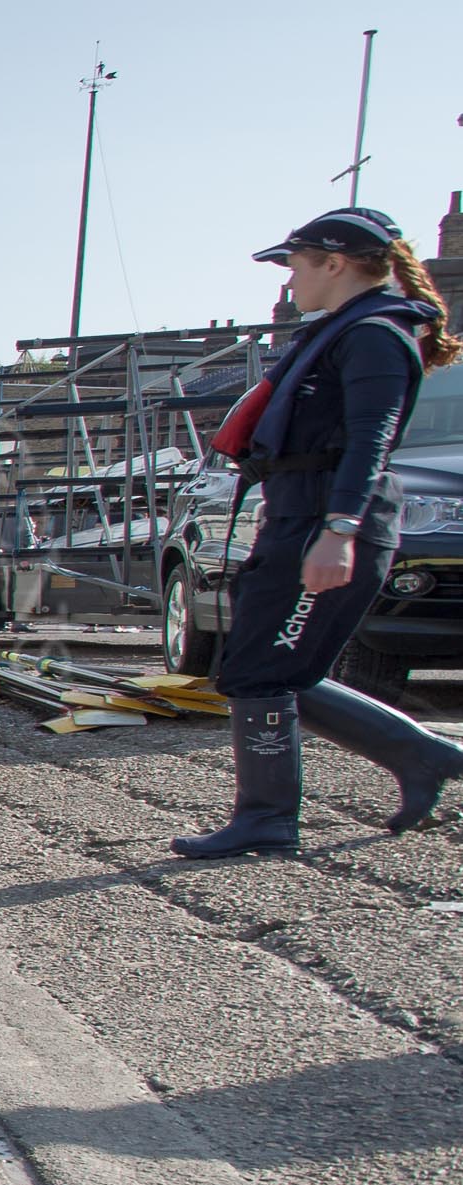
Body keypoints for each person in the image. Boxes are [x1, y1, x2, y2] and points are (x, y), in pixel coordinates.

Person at [174, 208, 463, 858]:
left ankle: (269, 816)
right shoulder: (343, 331)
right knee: (263, 665)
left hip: (326, 521)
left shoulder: (375, 336)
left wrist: (339, 530)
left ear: (335, 264)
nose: (290, 279)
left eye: (296, 265)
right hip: (298, 514)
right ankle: (422, 757)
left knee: (266, 670)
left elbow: (371, 441)